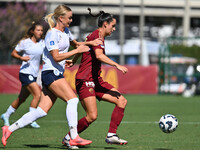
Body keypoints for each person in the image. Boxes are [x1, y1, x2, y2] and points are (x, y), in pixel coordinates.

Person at [1, 4, 103, 149]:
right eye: (69, 18)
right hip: (50, 74)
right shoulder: (52, 34)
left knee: (41, 111)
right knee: (72, 100)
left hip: (55, 74)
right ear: (60, 18)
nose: (71, 20)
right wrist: (76, 52)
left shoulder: (66, 31)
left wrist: (90, 43)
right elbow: (55, 57)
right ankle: (74, 137)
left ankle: (8, 129)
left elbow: (75, 44)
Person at [62, 8, 128, 146]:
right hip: (85, 79)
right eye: (113, 25)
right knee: (92, 116)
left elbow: (84, 47)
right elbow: (99, 56)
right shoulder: (96, 36)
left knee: (121, 101)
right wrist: (117, 65)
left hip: (96, 80)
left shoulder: (96, 36)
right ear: (105, 24)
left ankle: (111, 135)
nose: (114, 29)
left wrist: (74, 60)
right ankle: (68, 138)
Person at [1, 22, 45, 128]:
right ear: (32, 31)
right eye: (38, 30)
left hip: (33, 74)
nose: (40, 32)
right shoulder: (25, 42)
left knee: (21, 99)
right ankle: (31, 119)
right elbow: (13, 53)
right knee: (37, 94)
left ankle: (5, 115)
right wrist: (21, 58)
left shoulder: (43, 43)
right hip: (25, 73)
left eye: (41, 30)